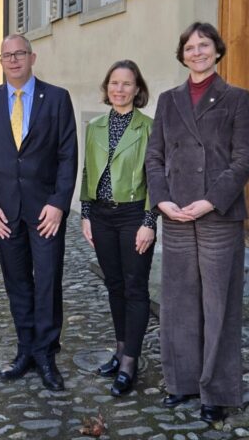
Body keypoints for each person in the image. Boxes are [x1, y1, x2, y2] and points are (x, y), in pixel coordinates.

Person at [145, 22, 249, 422]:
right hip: (176, 214)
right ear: (182, 55)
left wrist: (211, 200)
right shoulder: (168, 100)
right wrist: (162, 200)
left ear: (217, 51)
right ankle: (181, 382)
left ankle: (217, 390)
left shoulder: (236, 98)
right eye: (190, 47)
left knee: (218, 305)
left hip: (218, 215)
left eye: (204, 45)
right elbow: (154, 156)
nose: (197, 52)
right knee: (178, 303)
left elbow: (245, 158)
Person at [0, 34, 78, 391]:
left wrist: (59, 203)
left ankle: (46, 354)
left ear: (32, 57)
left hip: (45, 210)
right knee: (17, 283)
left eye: (20, 53)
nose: (14, 60)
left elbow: (67, 156)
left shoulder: (57, 98)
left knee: (47, 282)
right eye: (7, 55)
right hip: (5, 213)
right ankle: (26, 349)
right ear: (1, 61)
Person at [79, 60, 157, 396]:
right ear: (106, 87)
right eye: (114, 83)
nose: (119, 89)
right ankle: (121, 348)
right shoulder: (96, 126)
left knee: (135, 287)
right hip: (101, 216)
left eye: (127, 83)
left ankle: (130, 362)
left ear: (137, 89)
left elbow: (156, 178)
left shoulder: (149, 127)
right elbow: (88, 170)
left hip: (133, 215)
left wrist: (149, 221)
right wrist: (85, 213)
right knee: (114, 285)